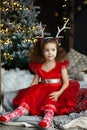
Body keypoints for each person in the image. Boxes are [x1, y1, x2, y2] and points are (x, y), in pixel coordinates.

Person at [0, 38, 80, 128]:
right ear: (42, 52)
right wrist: (28, 93)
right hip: (42, 88)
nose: (50, 52)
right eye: (47, 50)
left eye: (53, 50)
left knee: (50, 100)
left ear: (57, 51)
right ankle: (14, 114)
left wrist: (58, 93)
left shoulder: (61, 65)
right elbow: (35, 82)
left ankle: (48, 117)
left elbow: (66, 83)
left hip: (56, 89)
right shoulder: (40, 66)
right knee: (28, 98)